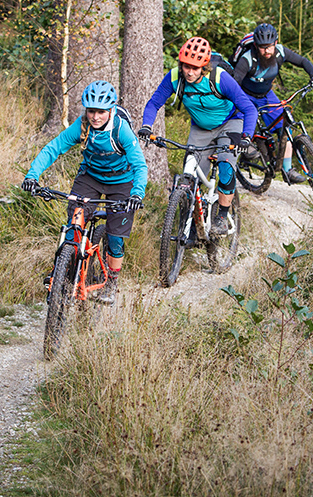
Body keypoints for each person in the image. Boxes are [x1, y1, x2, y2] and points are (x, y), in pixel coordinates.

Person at [21, 80, 147, 305]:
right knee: (75, 224)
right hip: (90, 177)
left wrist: (137, 194)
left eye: (101, 112)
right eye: (91, 111)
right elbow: (53, 148)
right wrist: (32, 175)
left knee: (115, 237)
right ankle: (64, 274)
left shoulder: (121, 130)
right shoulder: (82, 125)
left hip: (122, 182)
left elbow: (139, 165)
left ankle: (111, 283)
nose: (95, 117)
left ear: (111, 110)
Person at [138, 37, 259, 237]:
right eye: (186, 66)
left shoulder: (219, 78)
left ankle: (222, 216)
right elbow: (154, 103)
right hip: (200, 128)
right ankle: (193, 225)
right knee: (190, 175)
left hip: (230, 123)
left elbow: (249, 109)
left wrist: (246, 137)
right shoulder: (175, 77)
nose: (190, 72)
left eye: (195, 68)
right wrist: (146, 126)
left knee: (226, 165)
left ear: (204, 66)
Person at [231, 23, 313, 184]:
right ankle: (247, 146)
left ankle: (287, 170)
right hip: (246, 95)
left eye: (270, 46)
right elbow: (234, 83)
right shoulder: (247, 59)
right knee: (240, 120)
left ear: (275, 43)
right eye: (262, 47)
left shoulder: (280, 52)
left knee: (284, 128)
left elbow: (302, 61)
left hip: (266, 95)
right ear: (256, 46)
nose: (267, 51)